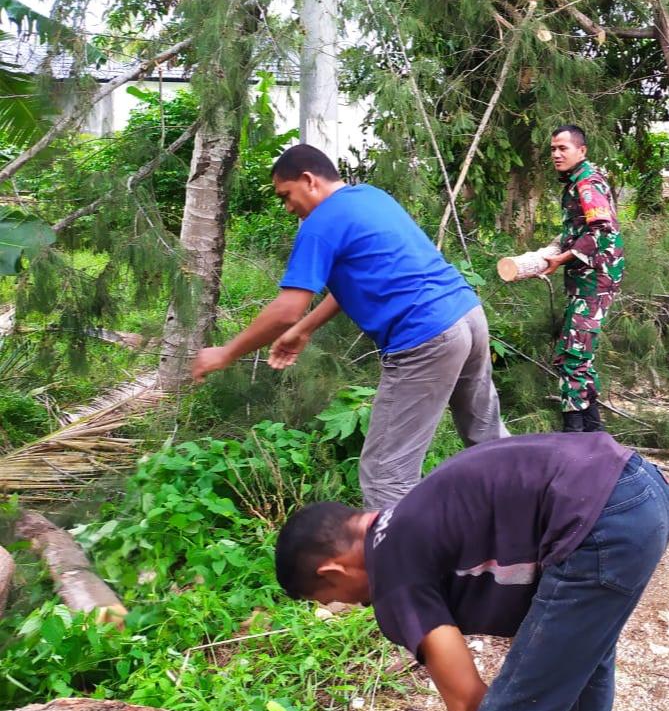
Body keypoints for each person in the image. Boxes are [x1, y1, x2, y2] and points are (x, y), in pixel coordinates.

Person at [191, 144, 507, 509]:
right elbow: (362, 278)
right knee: (486, 436)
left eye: (286, 196)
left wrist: (226, 353)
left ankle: (403, 563)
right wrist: (307, 329)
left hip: (424, 335)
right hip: (466, 313)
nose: (288, 207)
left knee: (385, 473)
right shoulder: (370, 197)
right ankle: (535, 515)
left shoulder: (320, 224)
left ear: (308, 180)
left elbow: (285, 309)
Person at [275, 432, 669, 711]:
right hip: (641, 489)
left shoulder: (389, 566)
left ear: (331, 570)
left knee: (515, 708)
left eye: (332, 596)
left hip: (600, 517)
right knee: (578, 665)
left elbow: (467, 702)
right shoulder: (405, 522)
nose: (352, 604)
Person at [542, 125, 624, 433]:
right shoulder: (577, 181)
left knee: (572, 358)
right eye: (553, 149)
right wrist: (553, 249)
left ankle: (574, 440)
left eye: (563, 148)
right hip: (587, 280)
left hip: (596, 281)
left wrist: (561, 258)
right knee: (580, 358)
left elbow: (601, 231)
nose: (556, 154)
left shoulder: (587, 183)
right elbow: (578, 230)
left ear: (582, 150)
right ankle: (595, 436)